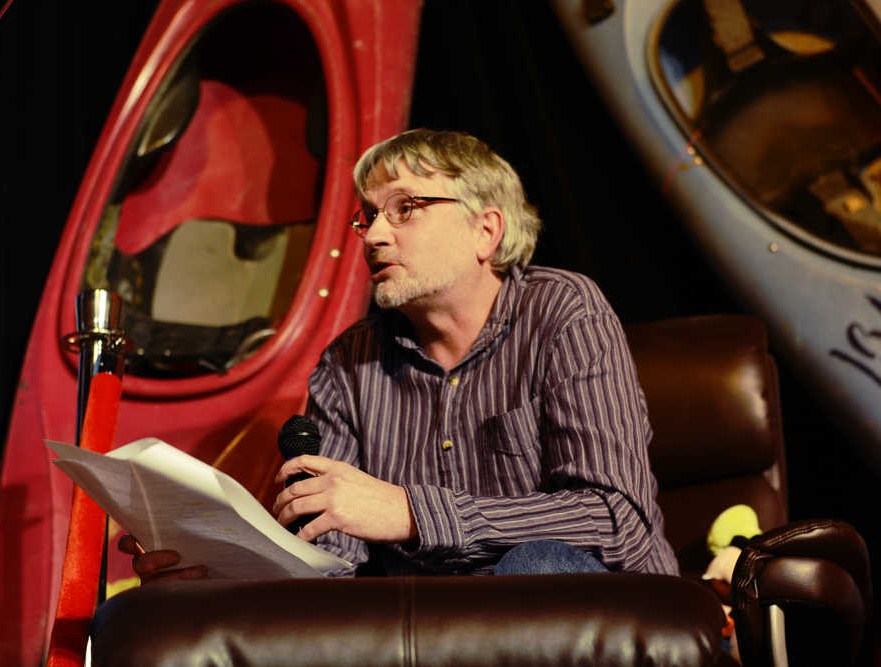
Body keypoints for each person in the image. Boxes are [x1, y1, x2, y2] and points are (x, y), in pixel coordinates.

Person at [121, 128, 679, 581]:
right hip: (430, 633)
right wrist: (221, 572)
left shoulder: (563, 310)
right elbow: (330, 560)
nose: (372, 236)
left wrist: (410, 512)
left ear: (485, 231)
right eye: (368, 215)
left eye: (405, 208)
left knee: (535, 566)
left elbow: (615, 519)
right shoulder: (348, 363)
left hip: (601, 612)